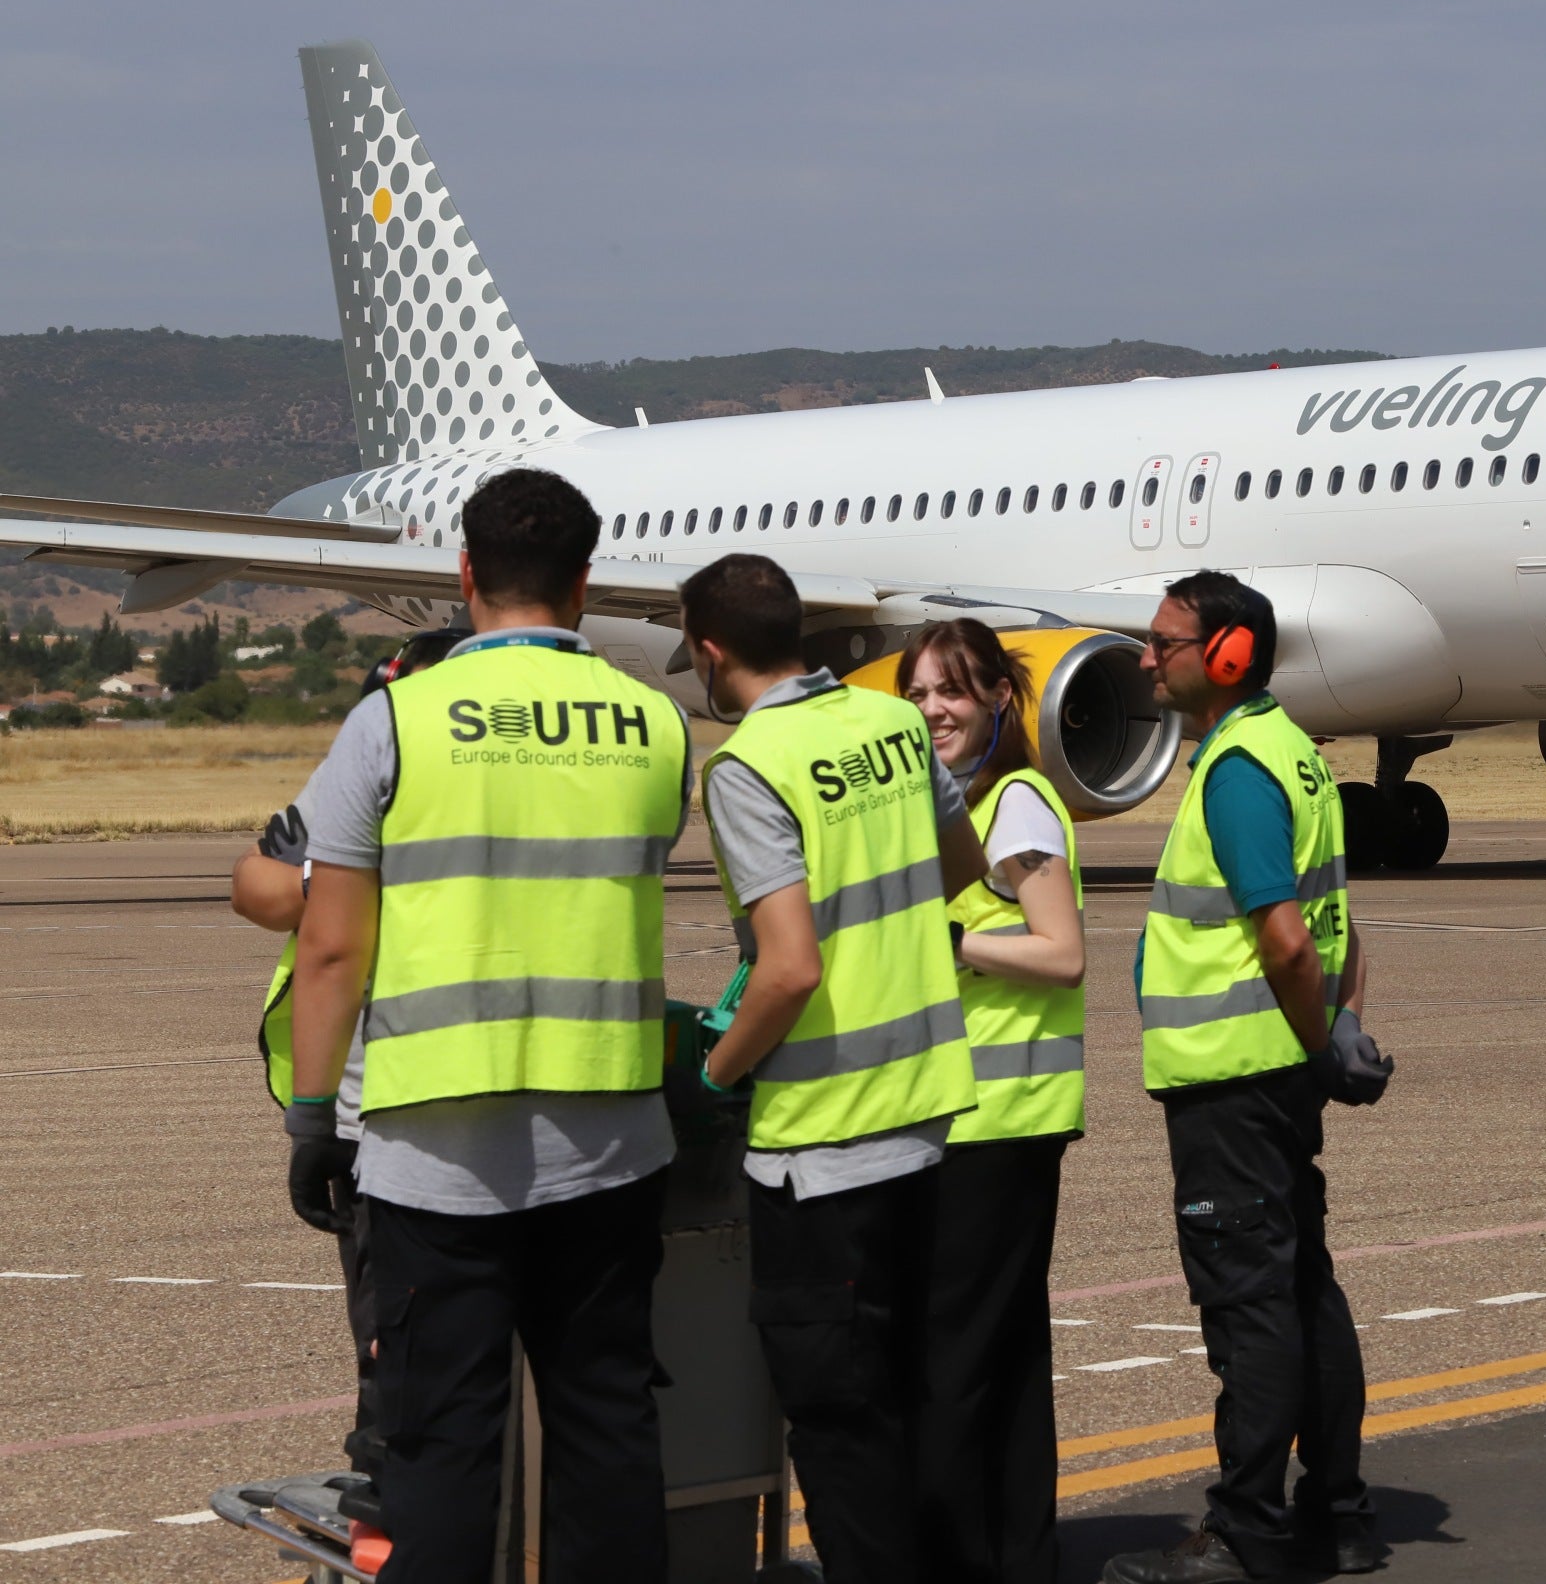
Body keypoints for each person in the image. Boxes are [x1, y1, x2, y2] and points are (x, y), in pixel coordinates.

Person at [286, 470, 689, 1583]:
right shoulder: (655, 725)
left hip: (434, 1156)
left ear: (463, 577)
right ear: (585, 582)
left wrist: (315, 1117)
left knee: (439, 1444)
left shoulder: (394, 721)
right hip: (609, 1141)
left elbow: (329, 944)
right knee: (608, 1424)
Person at [678, 553, 987, 1584]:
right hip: (929, 1118)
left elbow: (790, 968)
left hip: (823, 1146)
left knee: (839, 1425)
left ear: (712, 652)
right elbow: (960, 865)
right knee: (916, 1400)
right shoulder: (892, 722)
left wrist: (716, 1071)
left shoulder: (747, 765)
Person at [1104, 570, 1381, 1584]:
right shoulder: (1294, 755)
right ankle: (1339, 1510)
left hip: (1234, 1076)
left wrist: (1318, 1039)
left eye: (1163, 641)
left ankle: (1245, 1531)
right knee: (1304, 1282)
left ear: (1224, 656)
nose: (1146, 657)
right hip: (1277, 1072)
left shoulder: (1236, 771)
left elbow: (1286, 939)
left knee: (1250, 1301)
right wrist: (1340, 1034)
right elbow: (1341, 929)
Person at [232, 626, 461, 1497]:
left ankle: (406, 1505)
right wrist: (330, 885)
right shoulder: (372, 761)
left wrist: (313, 1120)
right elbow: (257, 878)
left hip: (403, 1111)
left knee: (411, 1358)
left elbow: (314, 934)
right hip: (388, 1106)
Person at [901, 619, 1088, 1584]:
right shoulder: (967, 808)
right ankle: (1021, 1558)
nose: (935, 709)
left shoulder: (1013, 804)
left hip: (993, 1124)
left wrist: (950, 947)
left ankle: (958, 1561)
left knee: (954, 1366)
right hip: (997, 1119)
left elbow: (1062, 954)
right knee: (1008, 1360)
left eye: (954, 692)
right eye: (922, 693)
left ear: (999, 702)